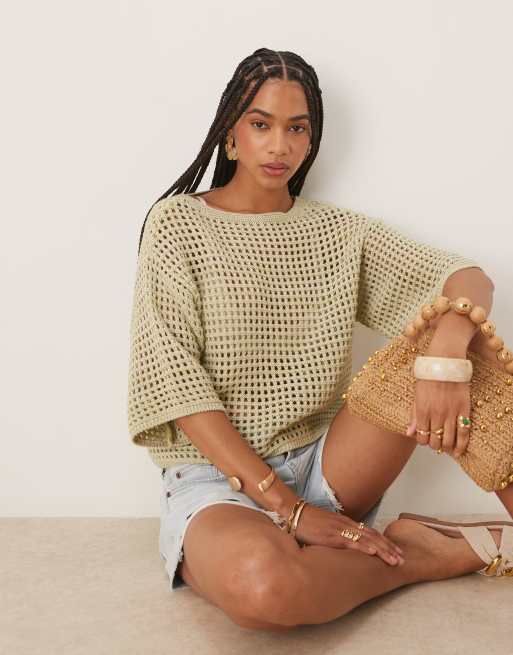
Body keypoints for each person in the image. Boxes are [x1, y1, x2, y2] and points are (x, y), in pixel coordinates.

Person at [127, 48, 509, 632]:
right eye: (261, 124)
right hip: (216, 480)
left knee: (458, 340)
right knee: (265, 588)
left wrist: (448, 350)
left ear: (311, 141)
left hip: (327, 463)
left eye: (297, 128)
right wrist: (290, 510)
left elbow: (466, 278)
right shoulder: (178, 225)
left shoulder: (338, 232)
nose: (279, 145)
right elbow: (177, 385)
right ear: (230, 136)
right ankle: (424, 556)